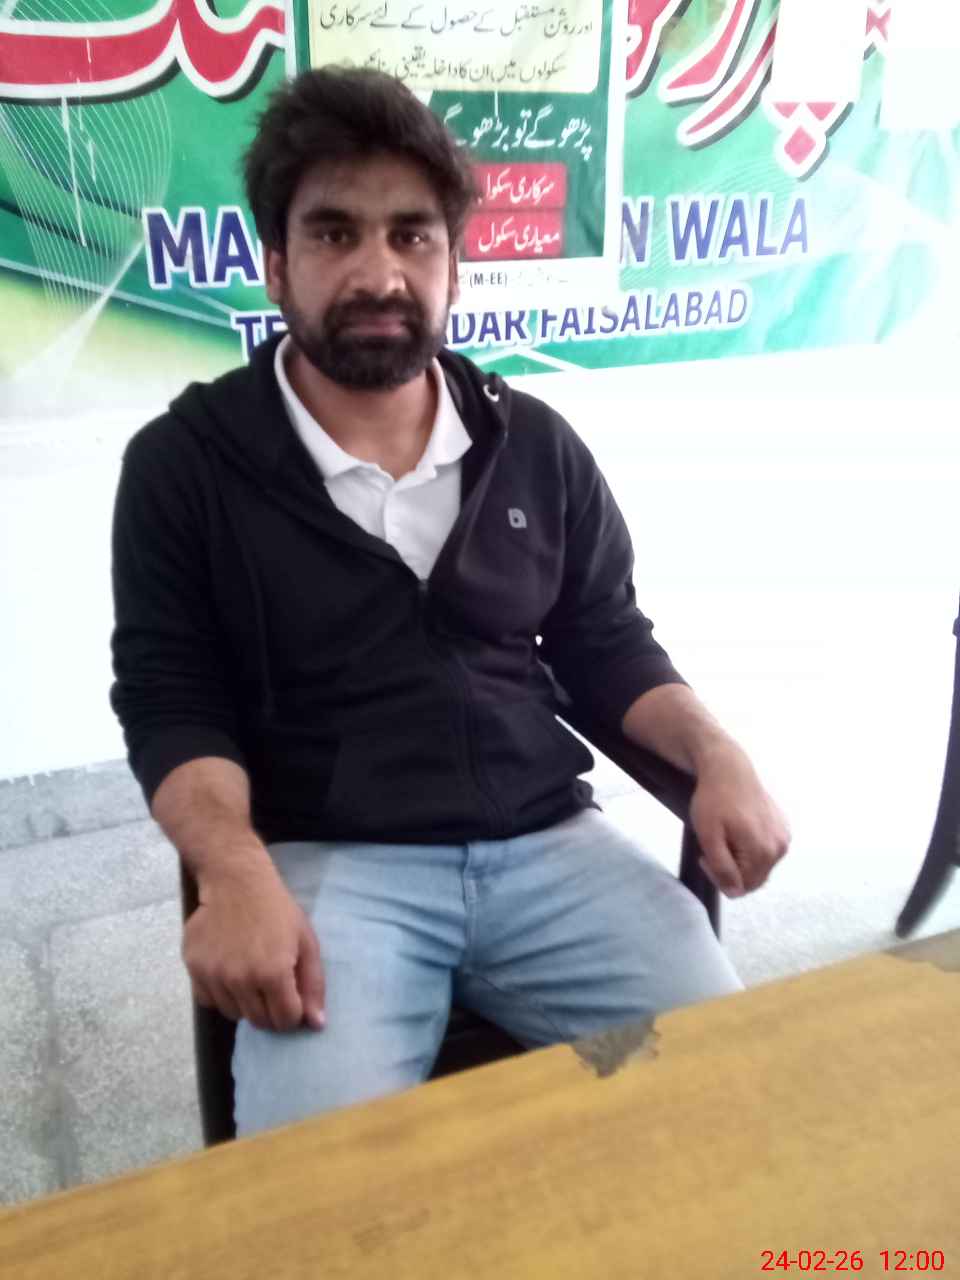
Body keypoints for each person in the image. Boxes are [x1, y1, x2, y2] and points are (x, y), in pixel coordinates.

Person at [110, 67, 790, 1137]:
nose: (379, 272)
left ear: (454, 267)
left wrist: (718, 752)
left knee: (734, 1097)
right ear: (276, 265)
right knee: (315, 1180)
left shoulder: (535, 445)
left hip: (550, 849)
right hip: (335, 867)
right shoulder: (186, 467)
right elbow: (172, 698)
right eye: (335, 234)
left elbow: (608, 641)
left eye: (412, 236)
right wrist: (231, 870)